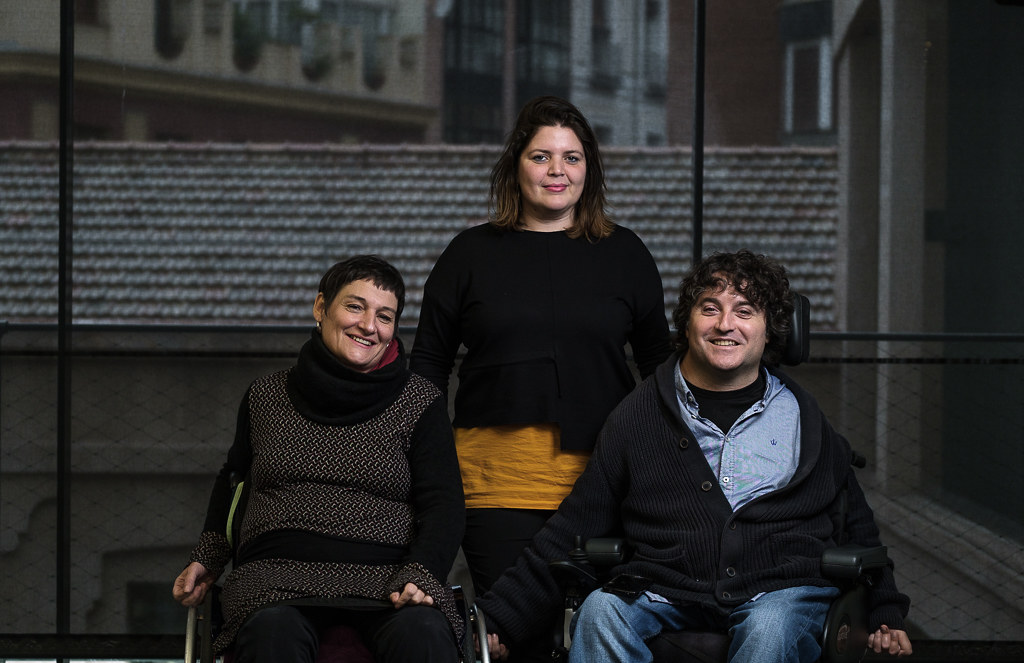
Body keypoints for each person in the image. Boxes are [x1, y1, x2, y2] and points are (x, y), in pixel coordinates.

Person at [475, 250, 913, 663]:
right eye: (710, 309)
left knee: (769, 627)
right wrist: (498, 622)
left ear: (770, 329)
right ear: (687, 324)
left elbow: (857, 522)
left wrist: (886, 610)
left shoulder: (805, 419)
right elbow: (573, 525)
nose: (726, 325)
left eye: (744, 311)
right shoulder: (637, 416)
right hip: (665, 584)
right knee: (599, 613)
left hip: (780, 588)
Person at [409, 96, 673, 637]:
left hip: (605, 484)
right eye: (541, 157)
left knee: (598, 633)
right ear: (516, 166)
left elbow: (660, 368)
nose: (557, 171)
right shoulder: (467, 255)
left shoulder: (627, 255)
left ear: (589, 170)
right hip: (493, 484)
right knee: (515, 637)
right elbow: (428, 365)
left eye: (572, 158)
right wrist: (429, 457)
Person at [172, 255, 466, 663]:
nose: (369, 326)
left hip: (387, 583)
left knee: (424, 634)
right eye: (354, 306)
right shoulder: (265, 396)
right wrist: (210, 554)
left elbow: (444, 502)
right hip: (274, 580)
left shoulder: (419, 402)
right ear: (320, 307)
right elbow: (234, 483)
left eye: (385, 316)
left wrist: (424, 572)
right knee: (273, 633)